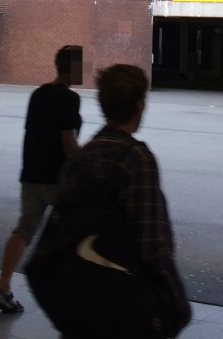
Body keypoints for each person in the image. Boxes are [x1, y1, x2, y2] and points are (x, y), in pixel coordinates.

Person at [57, 63, 191, 338]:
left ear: (103, 103)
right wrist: (176, 303)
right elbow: (153, 243)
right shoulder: (135, 159)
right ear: (139, 105)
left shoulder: (80, 159)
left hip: (81, 298)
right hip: (125, 300)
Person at [0, 45, 83, 314]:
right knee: (75, 231)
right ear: (73, 67)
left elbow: (32, 134)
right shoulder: (69, 98)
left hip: (31, 175)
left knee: (24, 230)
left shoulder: (38, 94)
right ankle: (69, 291)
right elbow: (68, 142)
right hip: (58, 179)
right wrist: (85, 163)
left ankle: (3, 287)